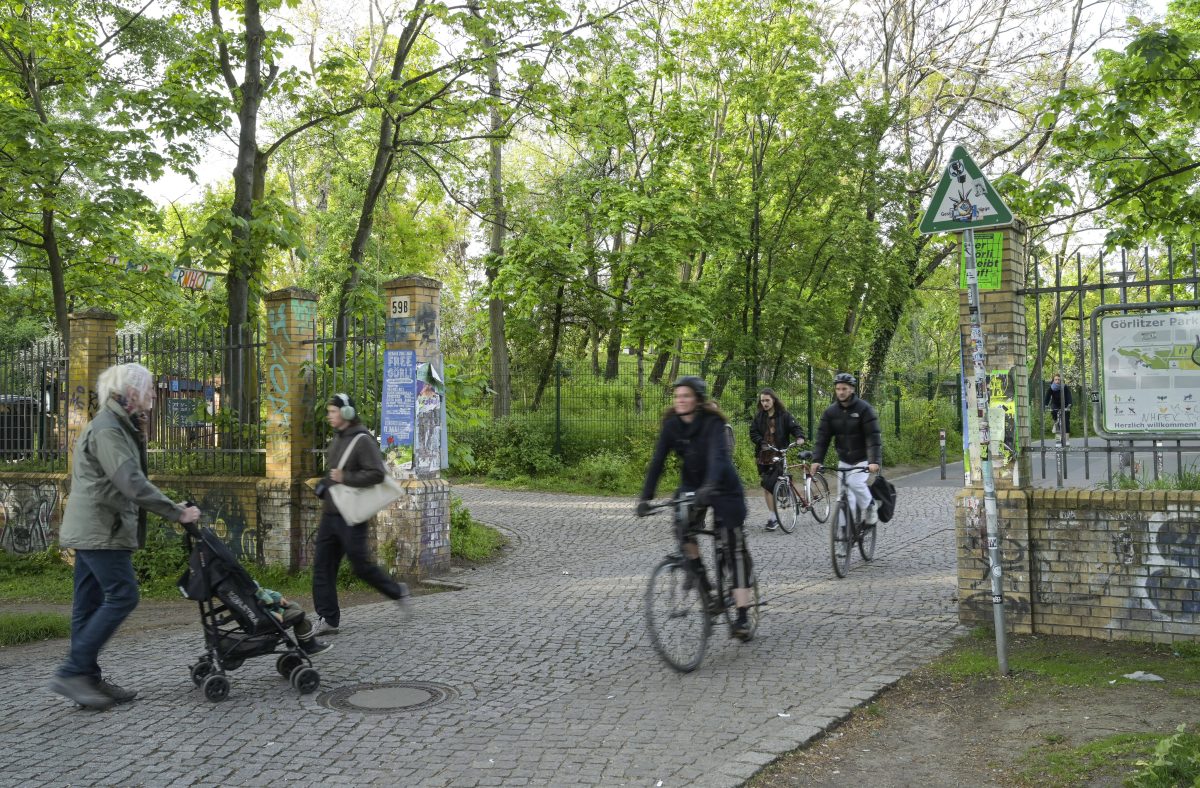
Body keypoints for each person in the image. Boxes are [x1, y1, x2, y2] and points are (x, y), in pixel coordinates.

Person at [48, 363, 202, 710]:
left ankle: (85, 678)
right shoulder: (108, 429)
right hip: (102, 529)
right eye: (149, 389)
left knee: (87, 606)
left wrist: (140, 433)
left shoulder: (118, 426)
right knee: (124, 595)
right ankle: (73, 672)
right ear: (131, 393)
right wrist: (177, 512)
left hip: (96, 527)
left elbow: (126, 478)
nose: (152, 395)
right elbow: (130, 483)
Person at [635, 377, 756, 641]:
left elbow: (718, 458)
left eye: (686, 396)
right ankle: (705, 588)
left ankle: (742, 616)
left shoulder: (713, 424)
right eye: (677, 396)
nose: (680, 400)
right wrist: (645, 497)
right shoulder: (672, 426)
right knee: (682, 528)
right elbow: (657, 461)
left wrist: (709, 487)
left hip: (724, 488)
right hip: (692, 486)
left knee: (732, 546)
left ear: (698, 399)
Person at [311, 393, 410, 635]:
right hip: (331, 514)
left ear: (346, 413)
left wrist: (346, 478)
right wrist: (325, 484)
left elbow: (376, 474)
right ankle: (328, 619)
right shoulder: (337, 439)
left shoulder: (362, 440)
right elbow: (335, 473)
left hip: (351, 516)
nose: (329, 416)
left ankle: (397, 591)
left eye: (334, 411)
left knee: (360, 566)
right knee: (322, 567)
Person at [809, 373, 882, 529]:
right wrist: (816, 460)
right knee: (843, 497)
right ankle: (843, 535)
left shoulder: (864, 409)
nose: (841, 392)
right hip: (844, 460)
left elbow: (873, 437)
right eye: (838, 389)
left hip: (862, 459)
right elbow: (822, 439)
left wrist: (874, 461)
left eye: (844, 388)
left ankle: (870, 506)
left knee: (855, 484)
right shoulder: (830, 412)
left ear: (852, 389)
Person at [749, 388, 806, 531]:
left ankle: (775, 511)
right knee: (767, 487)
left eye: (767, 400)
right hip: (763, 456)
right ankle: (773, 516)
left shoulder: (784, 415)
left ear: (774, 400)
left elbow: (795, 427)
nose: (765, 403)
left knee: (771, 485)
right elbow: (753, 432)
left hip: (780, 454)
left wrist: (799, 437)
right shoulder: (759, 417)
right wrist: (761, 442)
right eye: (762, 400)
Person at [253, 584, 331, 656]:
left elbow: (262, 591)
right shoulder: (245, 586)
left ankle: (309, 641)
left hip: (270, 608)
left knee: (294, 605)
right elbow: (255, 608)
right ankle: (309, 646)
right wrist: (272, 614)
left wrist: (278, 596)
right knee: (299, 615)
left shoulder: (248, 585)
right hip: (268, 615)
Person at [1044, 373, 1073, 443]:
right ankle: (1058, 440)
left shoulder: (1064, 387)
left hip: (1065, 405)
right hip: (1055, 404)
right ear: (1053, 380)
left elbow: (1069, 396)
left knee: (1066, 422)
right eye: (1056, 379)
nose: (1057, 381)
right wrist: (1045, 405)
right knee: (1056, 419)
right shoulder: (1051, 388)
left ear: (1061, 380)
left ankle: (1067, 440)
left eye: (1059, 380)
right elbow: (1047, 397)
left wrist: (1069, 404)